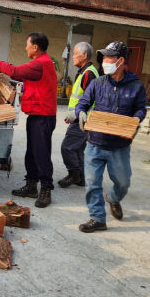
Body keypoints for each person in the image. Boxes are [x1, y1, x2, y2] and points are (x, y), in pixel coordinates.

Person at [71, 41, 146, 232]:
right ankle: (97, 218)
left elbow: (140, 109)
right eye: (103, 57)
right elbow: (84, 103)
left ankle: (113, 198)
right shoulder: (97, 83)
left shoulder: (136, 86)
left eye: (108, 57)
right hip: (95, 142)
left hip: (119, 145)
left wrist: (136, 119)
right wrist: (81, 112)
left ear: (120, 61)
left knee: (123, 182)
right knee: (92, 183)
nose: (104, 61)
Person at [0, 32, 57, 207]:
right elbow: (19, 74)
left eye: (27, 44)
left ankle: (46, 189)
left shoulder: (41, 63)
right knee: (32, 152)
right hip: (37, 114)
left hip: (43, 116)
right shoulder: (39, 64)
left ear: (35, 47)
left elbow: (16, 71)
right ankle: (31, 185)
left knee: (41, 153)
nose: (25, 47)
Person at [58, 42, 99, 188]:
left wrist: (76, 115)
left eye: (75, 53)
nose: (73, 57)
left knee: (67, 147)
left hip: (83, 120)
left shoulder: (89, 73)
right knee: (77, 149)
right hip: (81, 118)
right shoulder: (84, 71)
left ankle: (74, 174)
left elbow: (90, 99)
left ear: (85, 55)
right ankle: (81, 178)